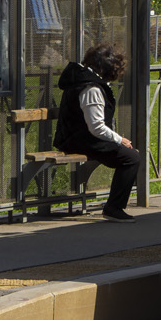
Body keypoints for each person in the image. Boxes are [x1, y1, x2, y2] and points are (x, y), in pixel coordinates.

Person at [55, 44, 139, 223]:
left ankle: (114, 206)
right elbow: (96, 127)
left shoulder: (85, 80)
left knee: (131, 156)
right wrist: (119, 139)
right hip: (81, 139)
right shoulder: (91, 88)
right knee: (132, 158)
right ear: (109, 69)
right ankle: (114, 208)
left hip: (77, 136)